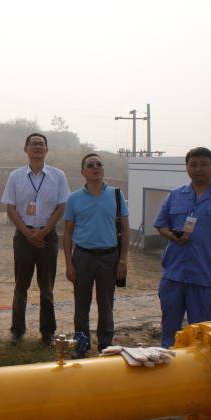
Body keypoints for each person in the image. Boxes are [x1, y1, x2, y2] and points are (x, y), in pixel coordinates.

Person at [154, 147, 211, 348]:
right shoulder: (175, 195)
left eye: (204, 164)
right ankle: (169, 362)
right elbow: (161, 225)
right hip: (173, 275)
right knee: (169, 331)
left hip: (205, 277)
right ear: (187, 167)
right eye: (193, 165)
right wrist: (173, 236)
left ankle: (199, 366)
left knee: (202, 333)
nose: (198, 169)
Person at [2, 133, 70, 346]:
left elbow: (61, 207)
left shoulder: (58, 176)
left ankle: (47, 331)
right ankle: (17, 329)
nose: (38, 147)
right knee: (20, 286)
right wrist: (28, 233)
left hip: (48, 237)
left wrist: (43, 232)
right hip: (23, 237)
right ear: (26, 149)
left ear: (46, 150)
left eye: (41, 144)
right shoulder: (15, 176)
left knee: (47, 287)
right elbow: (10, 208)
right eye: (33, 144)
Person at [64, 153, 129, 359]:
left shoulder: (117, 196)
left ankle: (105, 345)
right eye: (90, 165)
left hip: (109, 258)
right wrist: (69, 264)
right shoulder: (74, 199)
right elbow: (67, 234)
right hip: (83, 257)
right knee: (81, 305)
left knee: (106, 304)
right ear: (83, 172)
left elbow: (125, 230)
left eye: (99, 164)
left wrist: (123, 260)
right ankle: (81, 346)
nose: (95, 167)